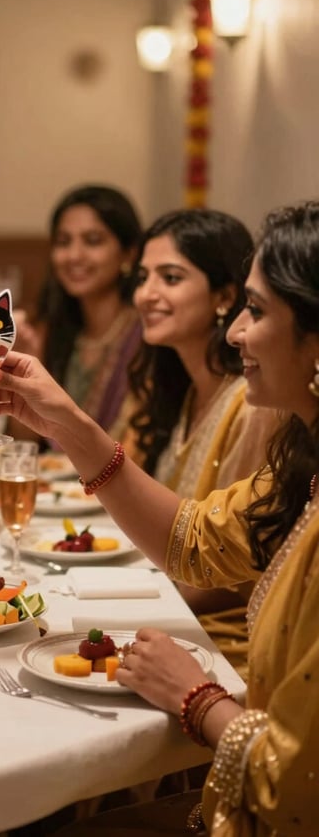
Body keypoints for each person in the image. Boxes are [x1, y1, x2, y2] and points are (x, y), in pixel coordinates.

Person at [0, 200, 319, 835]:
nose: (235, 333)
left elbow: (294, 790)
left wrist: (196, 698)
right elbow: (194, 539)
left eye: (256, 310)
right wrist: (67, 424)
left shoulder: (255, 416)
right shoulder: (300, 469)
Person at [128, 209, 279, 678]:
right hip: (174, 604)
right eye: (143, 277)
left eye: (171, 278)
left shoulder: (251, 405)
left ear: (225, 296)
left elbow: (230, 570)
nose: (147, 293)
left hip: (221, 640)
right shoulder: (186, 389)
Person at [15, 184, 143, 442]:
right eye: (64, 242)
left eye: (93, 241)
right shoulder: (52, 330)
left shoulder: (144, 337)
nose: (74, 255)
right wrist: (21, 373)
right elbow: (26, 441)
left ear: (128, 254)